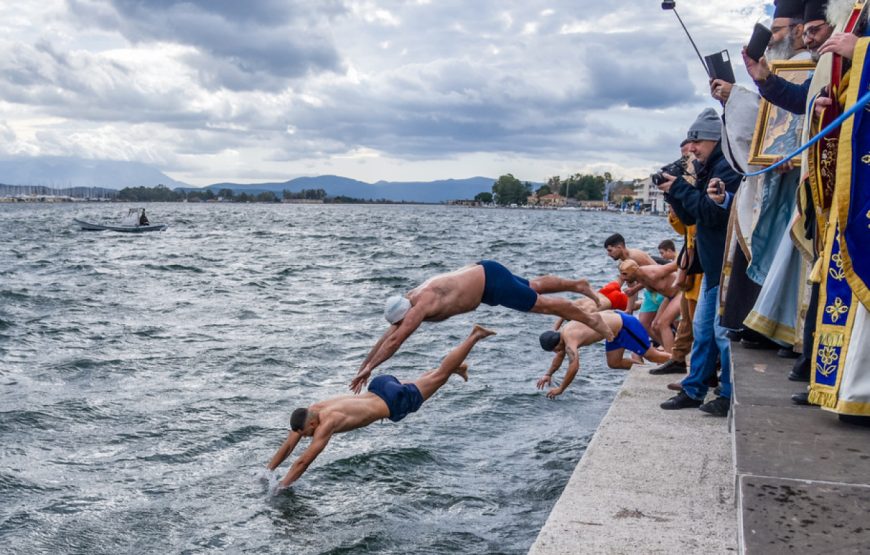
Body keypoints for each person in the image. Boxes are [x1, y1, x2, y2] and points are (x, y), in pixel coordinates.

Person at [268, 324, 496, 487]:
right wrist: (267, 471)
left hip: (393, 402)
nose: (307, 437)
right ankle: (458, 368)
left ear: (313, 422)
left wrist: (280, 488)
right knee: (425, 381)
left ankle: (473, 336)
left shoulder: (328, 422)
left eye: (308, 434)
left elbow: (304, 461)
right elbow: (289, 446)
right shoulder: (314, 408)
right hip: (380, 386)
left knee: (440, 375)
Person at [350, 260, 613, 393]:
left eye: (401, 323)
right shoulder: (408, 299)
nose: (400, 326)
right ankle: (577, 284)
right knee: (534, 286)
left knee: (544, 306)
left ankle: (591, 319)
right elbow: (388, 336)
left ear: (405, 314)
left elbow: (396, 341)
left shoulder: (419, 307)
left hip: (491, 285)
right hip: (486, 274)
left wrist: (372, 368)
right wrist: (365, 367)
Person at [656, 108, 742, 416]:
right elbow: (691, 216)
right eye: (690, 142)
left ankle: (728, 393)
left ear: (715, 141)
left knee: (720, 334)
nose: (691, 149)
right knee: (704, 331)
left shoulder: (727, 168)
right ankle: (694, 389)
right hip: (712, 266)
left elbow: (711, 213)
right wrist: (673, 194)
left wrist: (680, 188)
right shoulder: (708, 168)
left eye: (698, 142)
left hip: (727, 266)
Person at [536, 311, 671, 399]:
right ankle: (644, 368)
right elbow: (560, 355)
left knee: (653, 356)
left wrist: (561, 388)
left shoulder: (570, 339)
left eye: (555, 350)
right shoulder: (561, 336)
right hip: (612, 333)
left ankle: (679, 360)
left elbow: (574, 367)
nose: (556, 352)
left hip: (624, 326)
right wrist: (548, 374)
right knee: (614, 362)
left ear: (557, 343)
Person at [618, 259, 682, 354]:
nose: (622, 278)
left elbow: (678, 263)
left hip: (681, 292)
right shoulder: (639, 276)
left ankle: (672, 359)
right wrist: (634, 290)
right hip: (669, 297)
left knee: (662, 323)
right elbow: (645, 282)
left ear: (633, 270)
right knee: (655, 326)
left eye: (625, 274)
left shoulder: (654, 273)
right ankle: (670, 353)